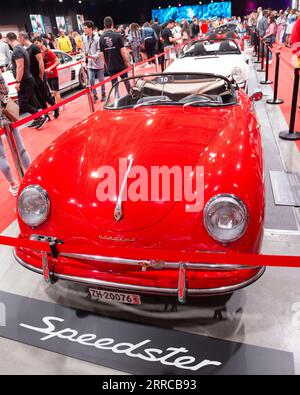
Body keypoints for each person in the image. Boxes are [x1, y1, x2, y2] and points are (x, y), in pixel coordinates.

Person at [6, 32, 48, 129]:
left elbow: (20, 66)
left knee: (23, 103)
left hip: (24, 80)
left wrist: (18, 82)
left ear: (9, 40)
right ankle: (37, 119)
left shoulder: (17, 50)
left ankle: (41, 117)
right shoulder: (21, 49)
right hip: (28, 79)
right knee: (31, 101)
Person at [0, 71, 31, 196]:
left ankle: (13, 184)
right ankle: (30, 174)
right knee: (20, 147)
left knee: (1, 155)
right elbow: (5, 90)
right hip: (5, 110)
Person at [19, 32, 59, 120]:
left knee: (45, 96)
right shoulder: (25, 49)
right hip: (32, 77)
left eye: (19, 38)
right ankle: (46, 115)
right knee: (39, 98)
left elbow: (40, 62)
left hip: (39, 76)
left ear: (22, 38)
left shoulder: (34, 48)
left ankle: (56, 108)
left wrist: (41, 75)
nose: (19, 40)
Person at [99, 16, 131, 98]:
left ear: (104, 25)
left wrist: (106, 65)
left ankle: (117, 100)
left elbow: (101, 54)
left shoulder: (101, 38)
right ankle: (131, 96)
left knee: (114, 84)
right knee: (126, 81)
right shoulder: (117, 35)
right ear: (112, 24)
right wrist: (127, 62)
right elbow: (123, 50)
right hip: (120, 64)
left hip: (111, 66)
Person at [34, 37, 62, 110]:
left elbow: (58, 62)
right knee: (52, 92)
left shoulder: (48, 51)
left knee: (56, 91)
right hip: (46, 75)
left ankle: (59, 106)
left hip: (53, 74)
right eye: (35, 44)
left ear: (41, 42)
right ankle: (56, 106)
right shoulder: (40, 53)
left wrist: (50, 68)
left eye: (37, 43)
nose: (36, 45)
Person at [83, 20, 106, 103]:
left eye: (85, 28)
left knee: (101, 81)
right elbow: (85, 49)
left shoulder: (97, 38)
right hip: (90, 63)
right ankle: (95, 95)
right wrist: (85, 60)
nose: (84, 30)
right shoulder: (84, 38)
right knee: (91, 80)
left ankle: (104, 94)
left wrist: (91, 56)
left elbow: (99, 52)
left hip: (99, 63)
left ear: (90, 28)